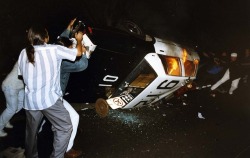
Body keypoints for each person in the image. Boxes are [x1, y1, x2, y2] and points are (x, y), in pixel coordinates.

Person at [18, 25, 83, 158]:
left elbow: (22, 75)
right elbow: (78, 54)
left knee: (31, 132)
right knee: (65, 127)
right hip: (49, 100)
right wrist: (80, 40)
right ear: (46, 38)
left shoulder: (23, 52)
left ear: (30, 40)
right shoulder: (54, 49)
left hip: (30, 102)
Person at [0, 62, 24, 137]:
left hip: (19, 86)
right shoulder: (26, 58)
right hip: (11, 86)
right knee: (11, 109)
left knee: (21, 104)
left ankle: (6, 119)